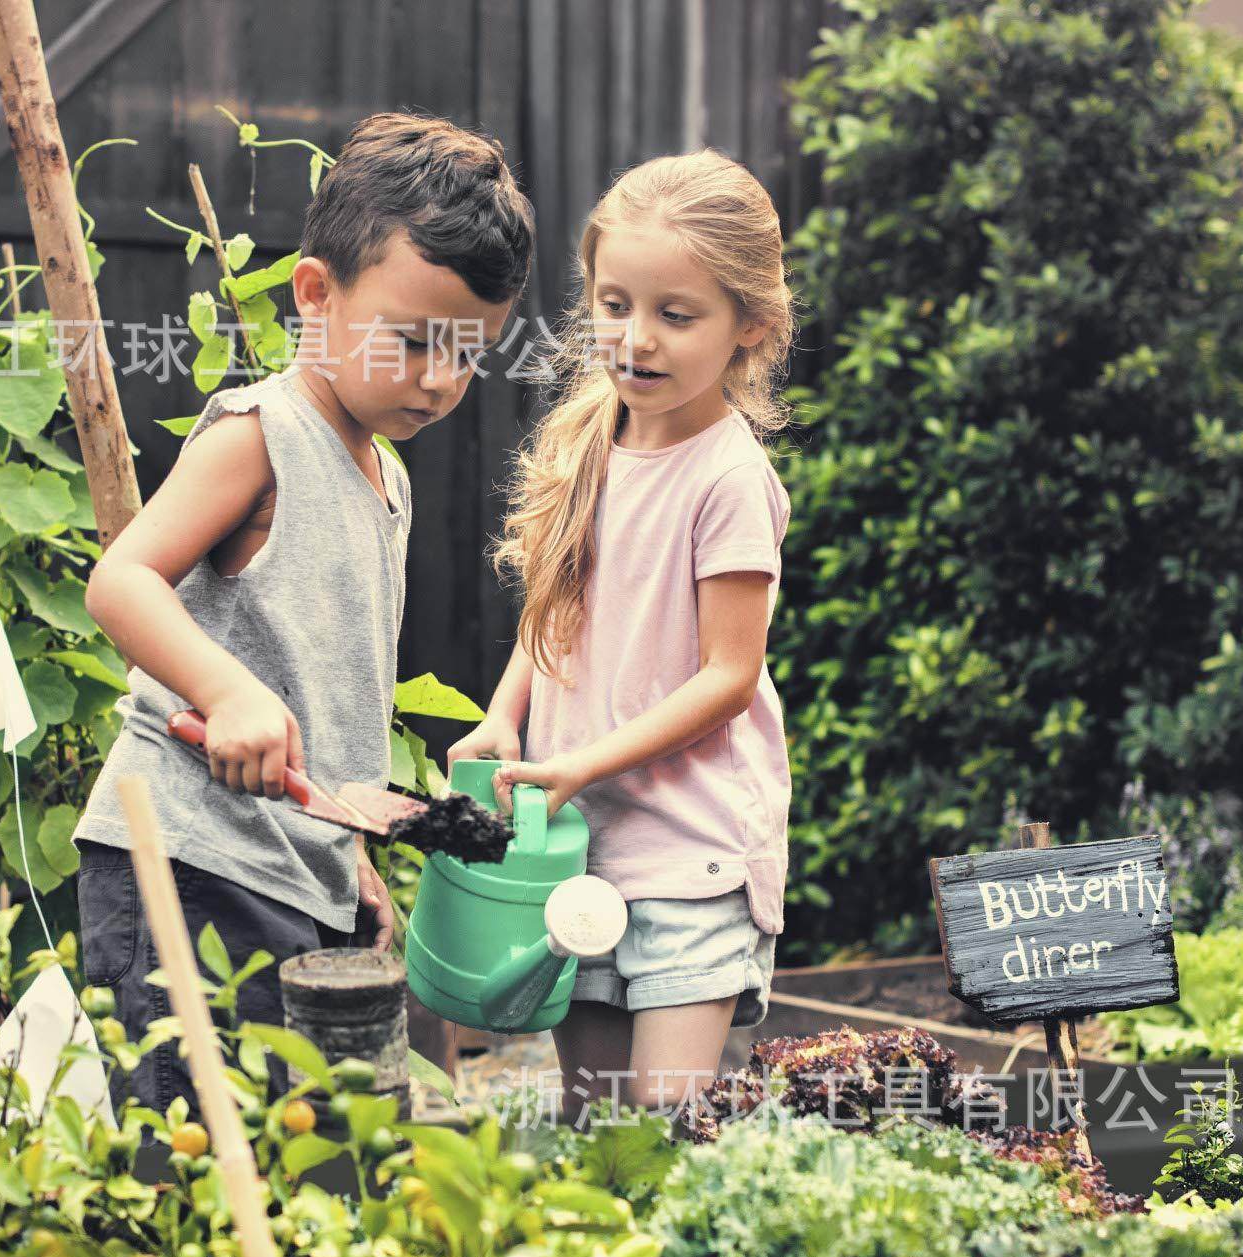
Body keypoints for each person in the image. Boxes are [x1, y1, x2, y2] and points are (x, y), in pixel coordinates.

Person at [74, 112, 535, 1113]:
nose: (443, 380)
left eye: (469, 353)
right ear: (317, 294)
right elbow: (120, 582)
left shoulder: (389, 482)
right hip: (186, 861)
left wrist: (352, 853)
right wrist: (224, 688)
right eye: (415, 342)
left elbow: (331, 688)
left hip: (298, 876)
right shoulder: (262, 436)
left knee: (301, 1163)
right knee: (188, 1159)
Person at [448, 149, 795, 1120]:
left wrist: (581, 762)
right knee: (594, 1117)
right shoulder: (592, 435)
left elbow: (729, 676)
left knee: (667, 1118)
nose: (635, 339)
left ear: (750, 328)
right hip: (578, 842)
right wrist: (504, 717)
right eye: (613, 304)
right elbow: (556, 602)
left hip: (692, 854)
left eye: (675, 316)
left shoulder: (727, 479)